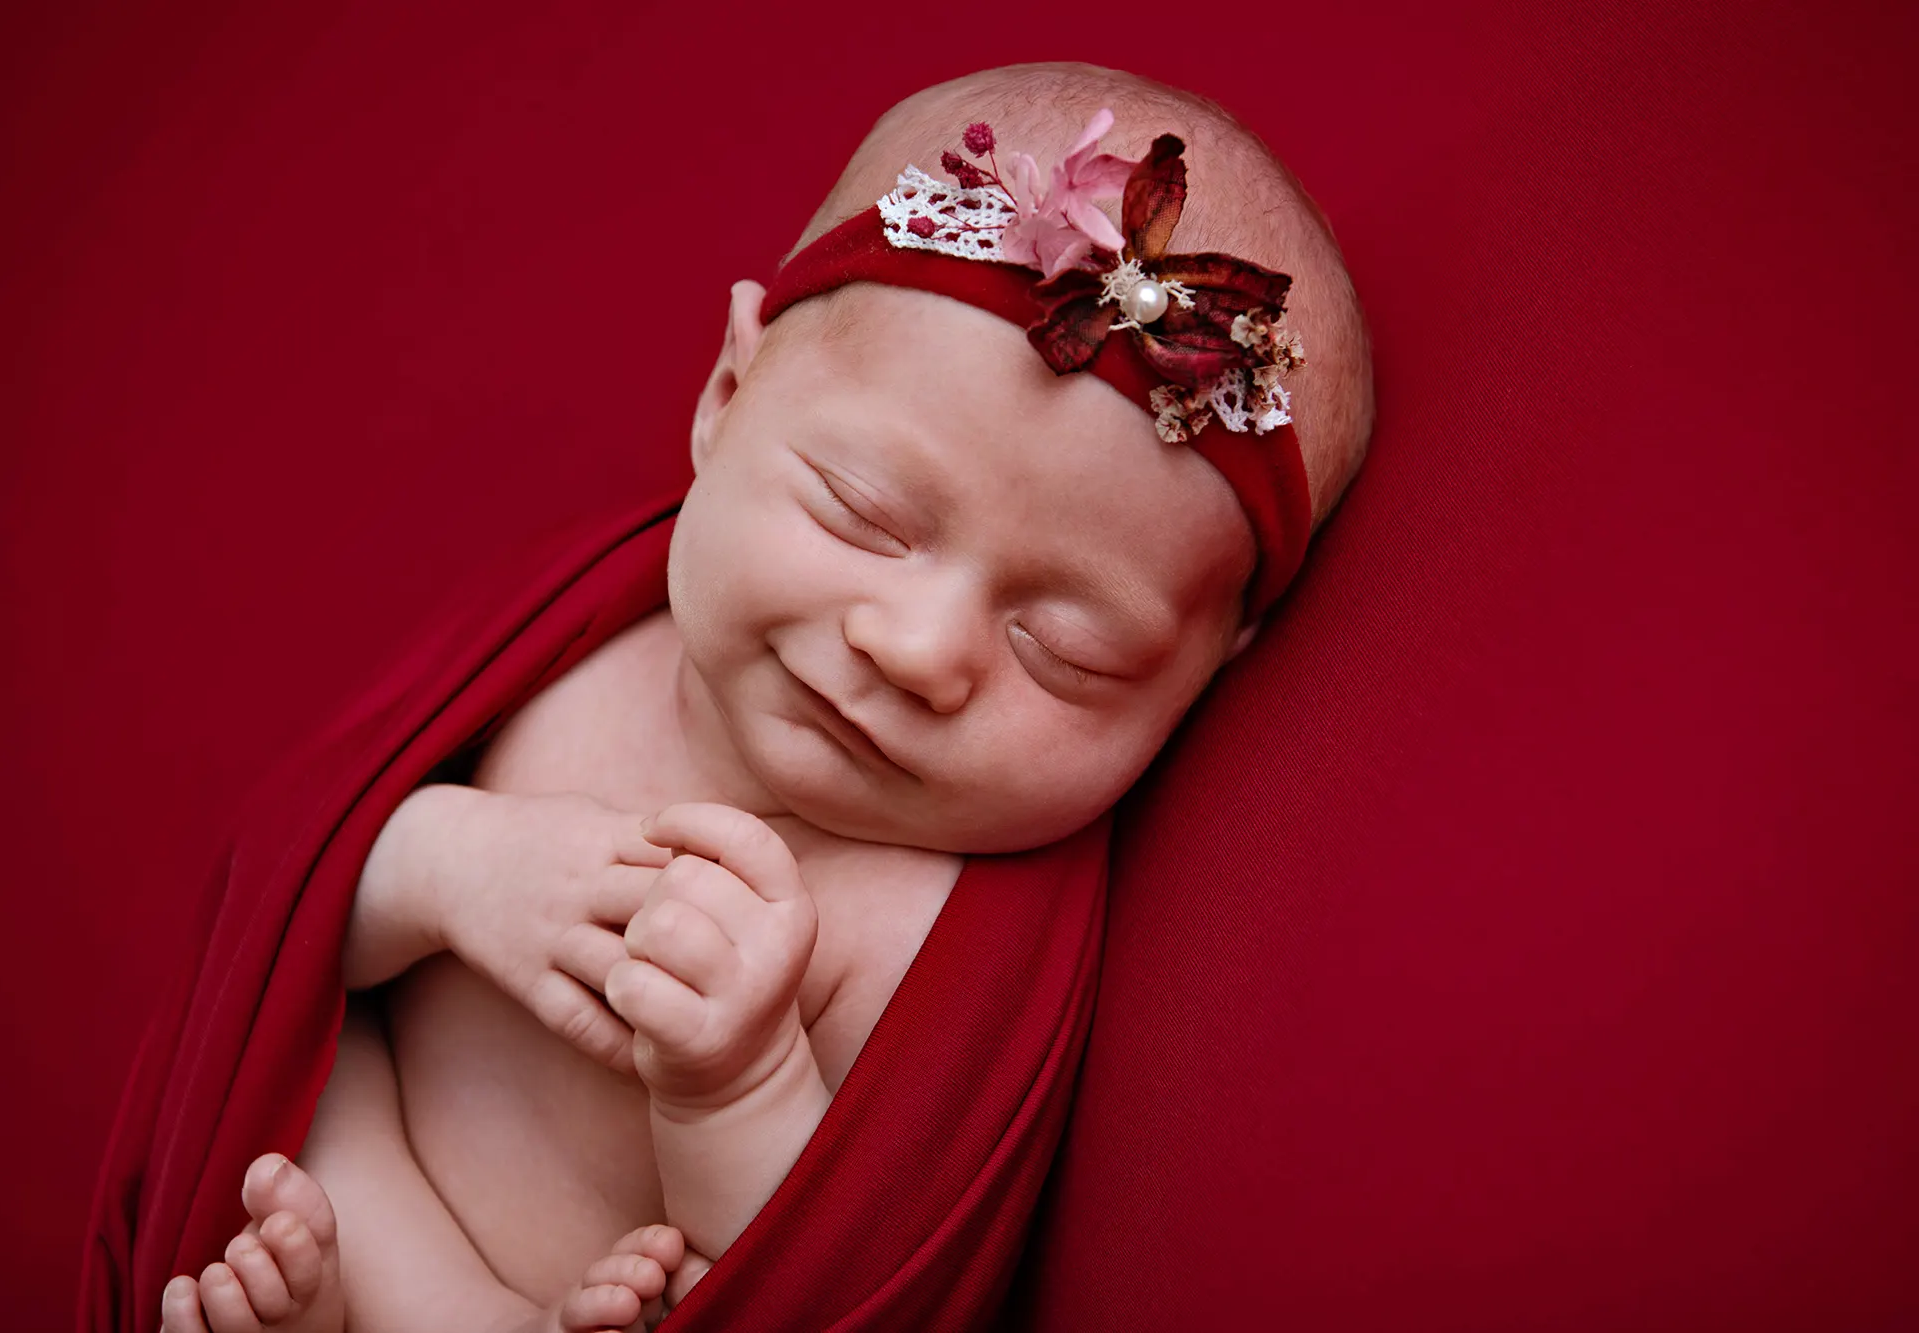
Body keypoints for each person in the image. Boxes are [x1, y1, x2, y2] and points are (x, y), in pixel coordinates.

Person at [156, 59, 1374, 1333]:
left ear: (1201, 674)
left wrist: (733, 1090)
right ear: (726, 395)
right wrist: (445, 868)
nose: (914, 648)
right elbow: (284, 910)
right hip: (354, 1191)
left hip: (611, 1291)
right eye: (863, 516)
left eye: (1064, 649)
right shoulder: (587, 642)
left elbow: (847, 1278)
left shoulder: (923, 923)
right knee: (313, 1105)